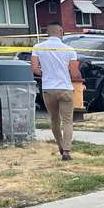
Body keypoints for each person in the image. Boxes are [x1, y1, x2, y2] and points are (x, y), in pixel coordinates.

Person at [31, 21, 81, 160]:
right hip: (65, 88)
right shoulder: (69, 50)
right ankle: (66, 150)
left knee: (54, 119)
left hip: (48, 88)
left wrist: (45, 73)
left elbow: (35, 68)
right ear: (61, 32)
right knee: (67, 121)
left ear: (47, 32)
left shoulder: (38, 47)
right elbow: (74, 73)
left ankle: (59, 145)